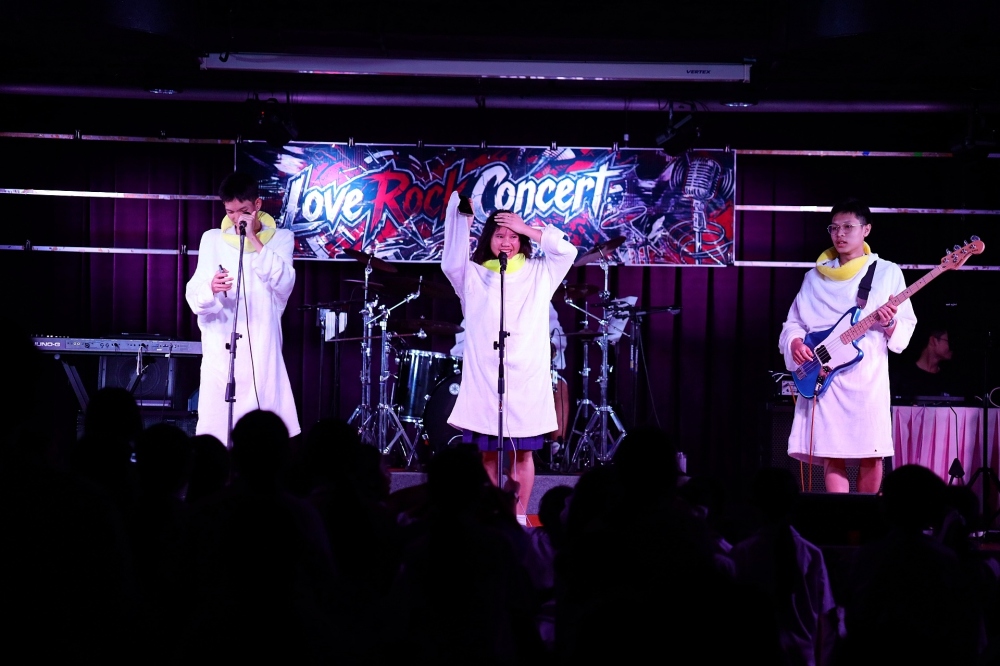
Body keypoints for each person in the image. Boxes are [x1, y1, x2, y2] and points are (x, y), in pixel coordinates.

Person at [441, 192, 577, 524]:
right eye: (500, 235)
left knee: (523, 454)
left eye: (513, 236)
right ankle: (494, 515)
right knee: (489, 455)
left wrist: (526, 227)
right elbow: (450, 262)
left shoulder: (540, 271)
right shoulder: (472, 274)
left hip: (526, 379)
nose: (506, 242)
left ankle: (518, 516)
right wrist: (463, 220)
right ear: (488, 238)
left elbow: (568, 251)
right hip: (487, 379)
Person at [779, 199, 916, 493]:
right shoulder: (814, 277)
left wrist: (889, 323)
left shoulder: (887, 272)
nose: (839, 234)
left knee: (872, 453)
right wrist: (795, 342)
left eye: (848, 227)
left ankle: (868, 518)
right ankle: (839, 516)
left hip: (867, 377)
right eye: (834, 228)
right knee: (832, 453)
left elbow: (905, 324)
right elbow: (794, 322)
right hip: (824, 373)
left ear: (866, 230)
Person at [185, 173, 300, 446]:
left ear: (257, 204)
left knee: (263, 435)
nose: (237, 218)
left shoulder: (281, 238)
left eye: (244, 211)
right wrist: (211, 287)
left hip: (261, 346)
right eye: (230, 212)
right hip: (221, 344)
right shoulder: (212, 239)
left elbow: (285, 283)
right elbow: (193, 296)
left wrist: (254, 239)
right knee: (217, 427)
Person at [889, 325, 966, 399]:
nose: (952, 347)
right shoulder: (902, 377)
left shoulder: (950, 380)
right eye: (948, 341)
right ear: (933, 341)